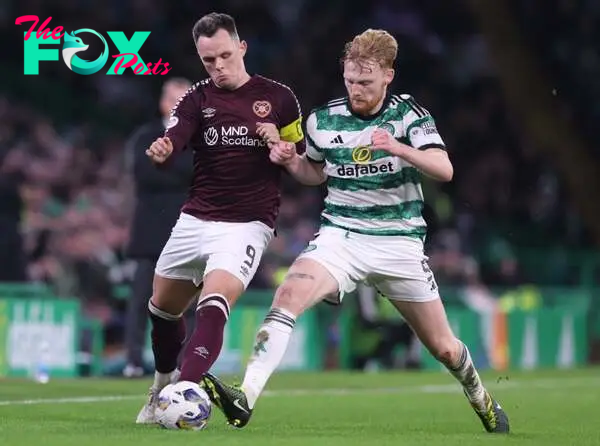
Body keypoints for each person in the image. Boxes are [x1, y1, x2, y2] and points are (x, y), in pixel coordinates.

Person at [201, 29, 510, 434]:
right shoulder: (323, 120)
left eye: (365, 82)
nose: (355, 89)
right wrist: (290, 161)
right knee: (289, 293)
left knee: (445, 349)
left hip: (399, 242)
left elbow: (444, 169)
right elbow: (314, 172)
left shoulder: (408, 116)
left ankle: (481, 398)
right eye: (349, 80)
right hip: (341, 236)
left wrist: (398, 148)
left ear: (388, 76)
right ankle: (246, 396)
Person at [135, 12, 305, 424]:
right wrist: (165, 149)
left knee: (214, 303)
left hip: (247, 223)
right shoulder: (196, 97)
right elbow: (177, 133)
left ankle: (183, 390)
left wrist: (285, 153)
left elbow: (302, 160)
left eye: (225, 56)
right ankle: (161, 386)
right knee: (162, 311)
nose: (218, 67)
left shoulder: (280, 99)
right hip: (196, 218)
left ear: (242, 48)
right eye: (209, 60)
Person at [123, 78, 194, 378]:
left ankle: (184, 364)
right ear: (163, 103)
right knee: (142, 298)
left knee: (187, 300)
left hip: (188, 228)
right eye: (174, 100)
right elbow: (144, 174)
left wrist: (165, 164)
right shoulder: (146, 135)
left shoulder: (201, 137)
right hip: (152, 231)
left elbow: (198, 173)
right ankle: (133, 361)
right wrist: (179, 170)